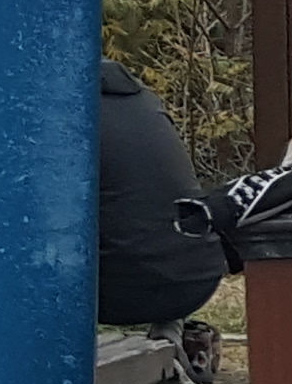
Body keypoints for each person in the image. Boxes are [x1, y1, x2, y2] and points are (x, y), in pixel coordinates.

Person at [94, 60, 227, 330]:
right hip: (199, 277)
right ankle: (170, 329)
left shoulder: (59, 111)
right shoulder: (144, 99)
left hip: (120, 292)